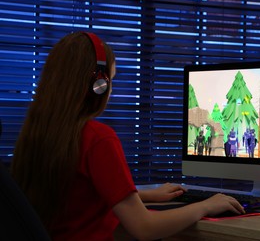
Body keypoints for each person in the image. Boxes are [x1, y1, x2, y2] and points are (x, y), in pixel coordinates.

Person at [10, 32, 245, 241]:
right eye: (110, 79)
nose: (110, 89)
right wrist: (206, 205)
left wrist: (140, 195)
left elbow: (77, 195)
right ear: (97, 85)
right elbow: (144, 227)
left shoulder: (37, 132)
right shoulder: (97, 138)